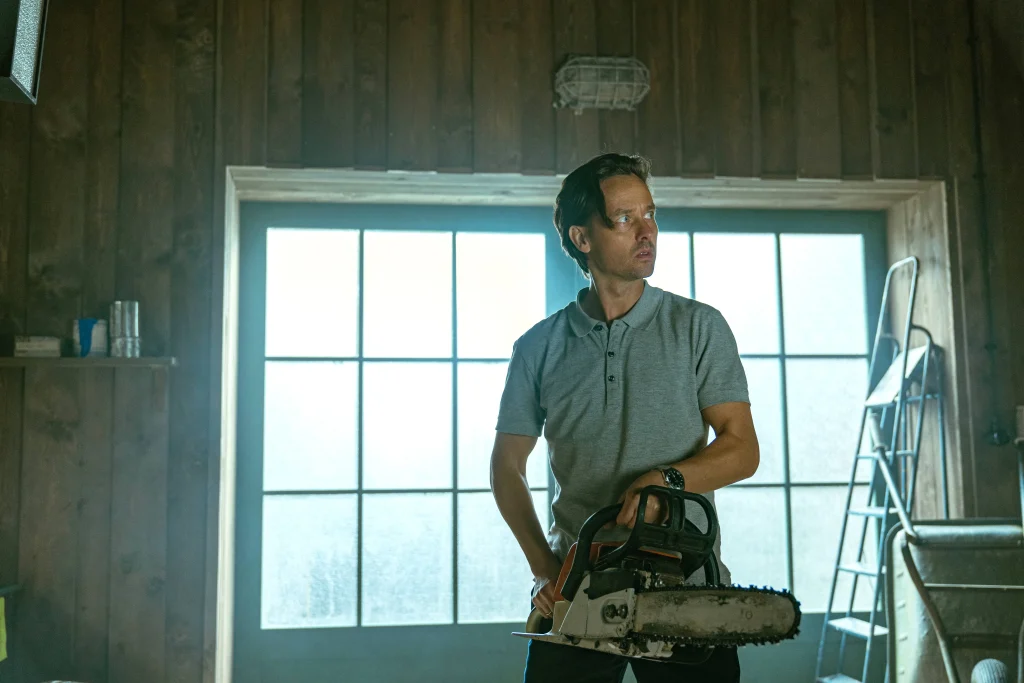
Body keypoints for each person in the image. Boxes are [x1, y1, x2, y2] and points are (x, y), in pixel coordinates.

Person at [489, 153, 760, 683]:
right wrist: (545, 566)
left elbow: (742, 448)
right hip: (579, 587)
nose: (646, 231)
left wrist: (666, 481)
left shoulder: (698, 327)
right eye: (624, 218)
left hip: (686, 583)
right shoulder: (537, 348)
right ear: (582, 238)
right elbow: (506, 468)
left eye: (651, 214)